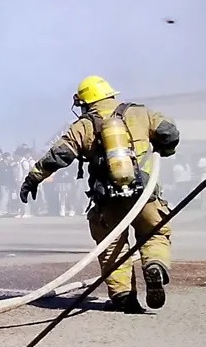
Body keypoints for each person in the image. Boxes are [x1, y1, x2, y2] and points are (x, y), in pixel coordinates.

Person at [20, 76, 180, 314]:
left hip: (108, 201)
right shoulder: (141, 113)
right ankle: (154, 266)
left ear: (85, 101)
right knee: (154, 234)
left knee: (112, 246)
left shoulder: (84, 125)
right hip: (145, 195)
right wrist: (164, 149)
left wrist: (32, 178)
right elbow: (169, 133)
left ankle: (124, 297)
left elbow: (59, 155)